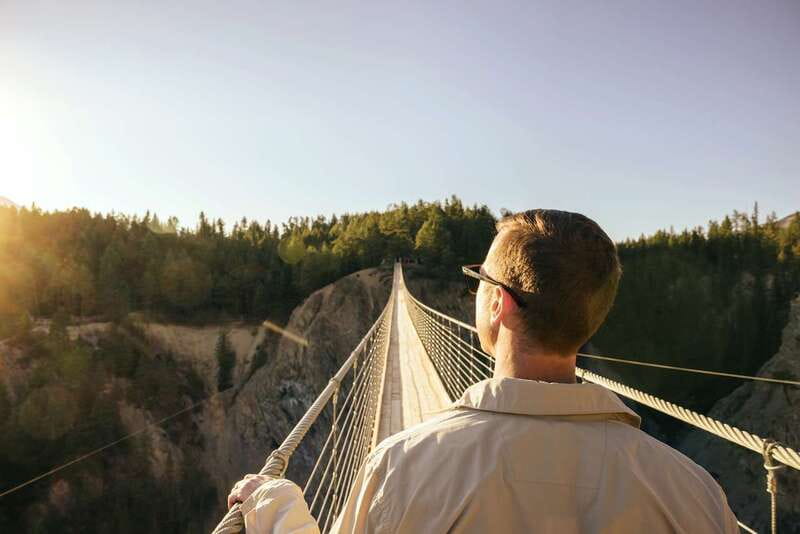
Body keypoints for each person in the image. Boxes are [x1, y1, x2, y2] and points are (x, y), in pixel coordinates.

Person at [228, 209, 739, 533]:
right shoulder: (695, 494)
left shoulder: (401, 468)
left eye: (480, 279)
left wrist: (273, 505)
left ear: (498, 302)